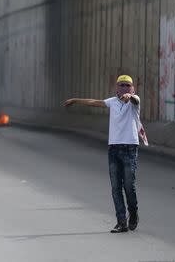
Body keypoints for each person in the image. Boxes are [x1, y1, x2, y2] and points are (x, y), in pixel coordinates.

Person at [62, 74, 147, 233]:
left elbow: (134, 99)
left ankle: (133, 212)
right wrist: (75, 100)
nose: (124, 88)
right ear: (116, 88)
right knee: (116, 187)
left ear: (132, 88)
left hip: (129, 148)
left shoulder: (135, 101)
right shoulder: (112, 102)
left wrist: (130, 96)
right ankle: (121, 222)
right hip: (114, 149)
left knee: (129, 185)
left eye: (127, 85)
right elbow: (95, 102)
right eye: (121, 85)